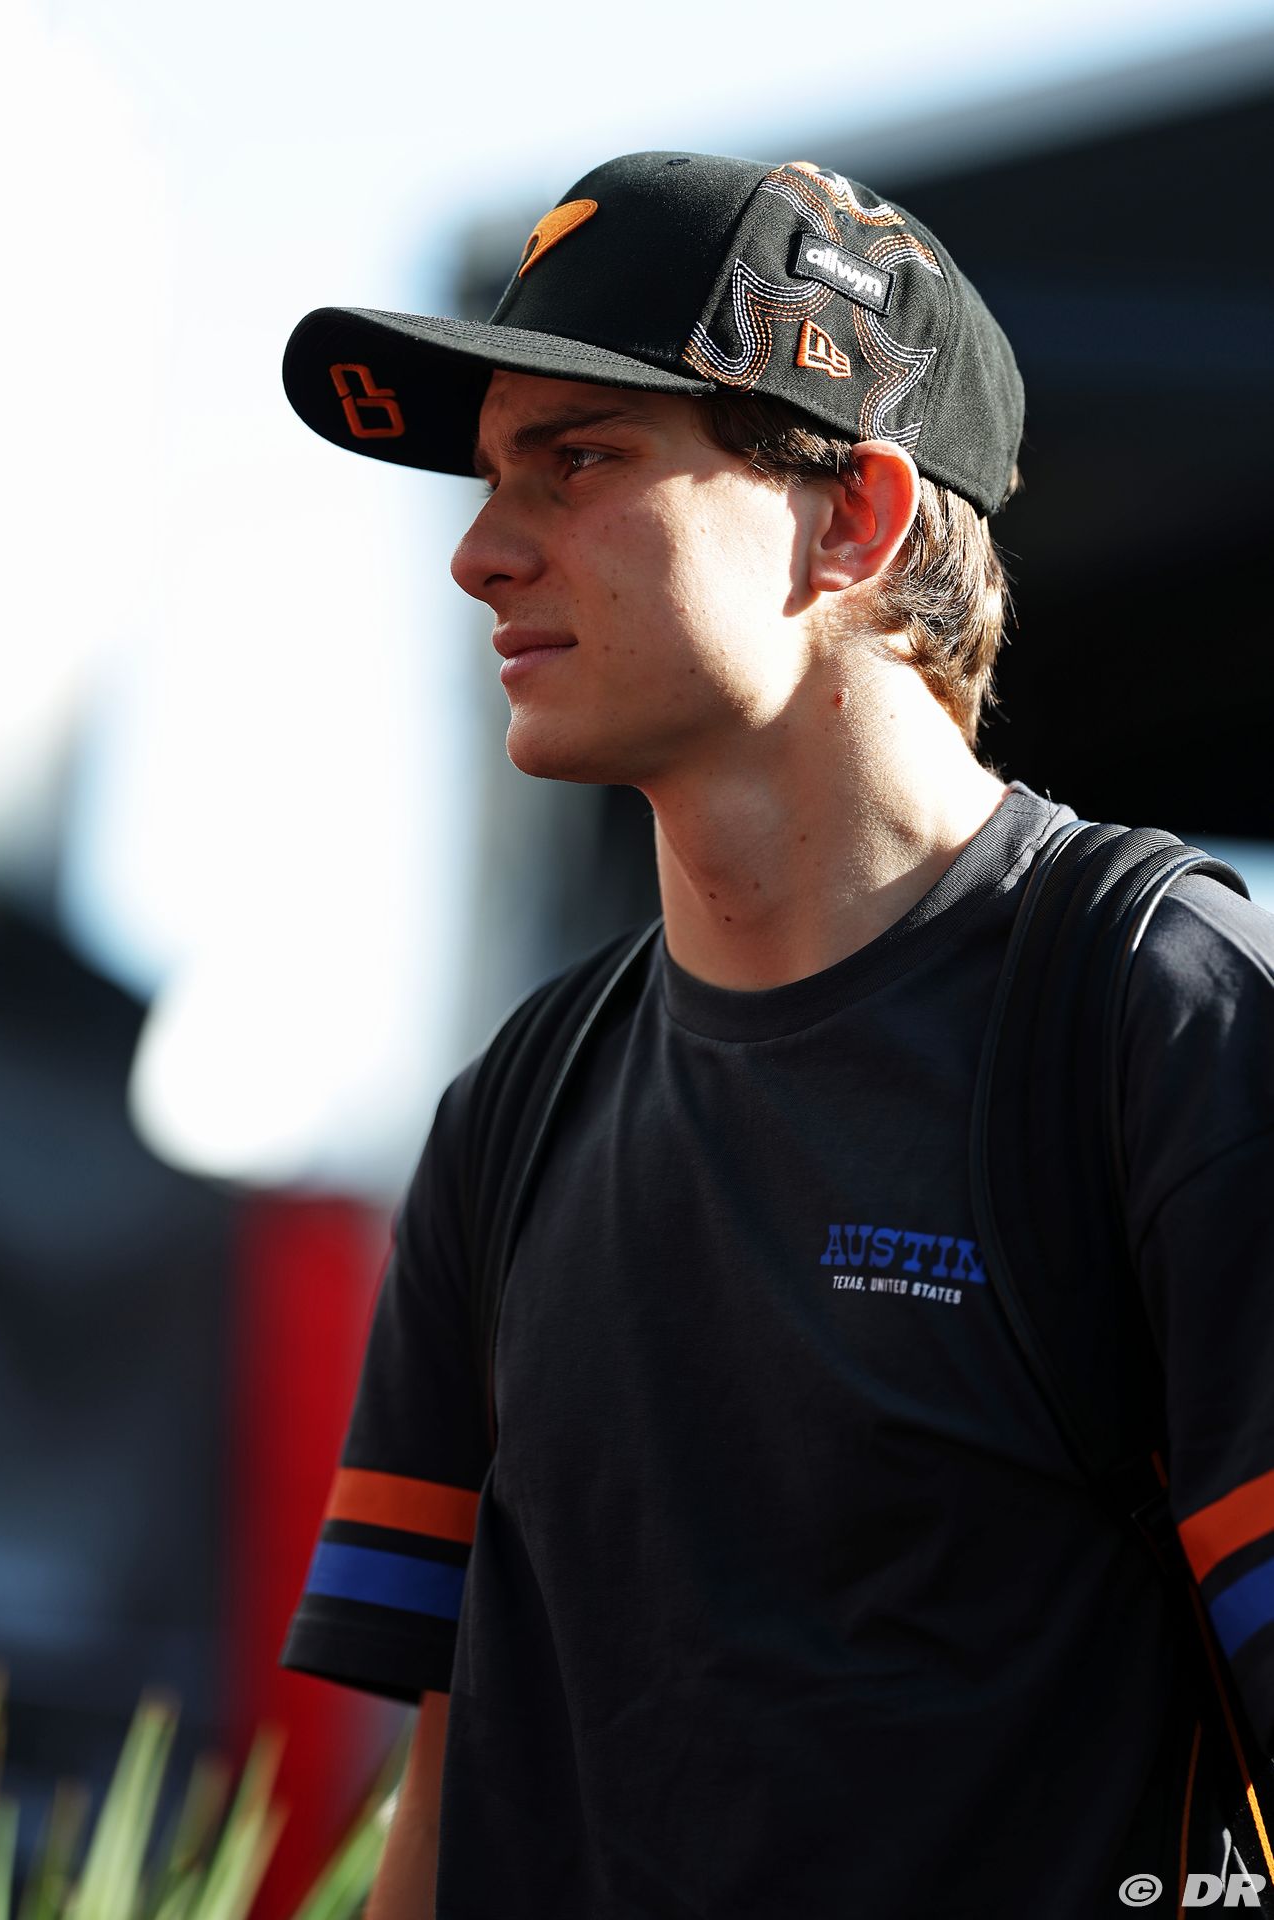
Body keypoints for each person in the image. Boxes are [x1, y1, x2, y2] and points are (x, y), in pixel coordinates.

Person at [278, 151, 1274, 1917]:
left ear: (851, 520)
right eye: (492, 475)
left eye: (579, 459)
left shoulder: (1159, 1020)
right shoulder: (517, 1104)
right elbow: (440, 1804)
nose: (478, 552)